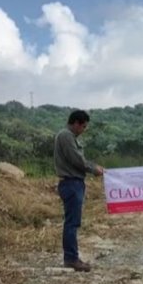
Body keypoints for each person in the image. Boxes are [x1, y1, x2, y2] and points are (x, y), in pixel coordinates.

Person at [53, 110, 104, 272]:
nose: (84, 130)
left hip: (74, 183)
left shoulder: (69, 137)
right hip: (71, 184)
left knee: (73, 222)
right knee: (72, 223)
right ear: (76, 123)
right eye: (83, 126)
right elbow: (77, 160)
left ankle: (72, 257)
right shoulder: (66, 136)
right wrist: (94, 168)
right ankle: (71, 258)